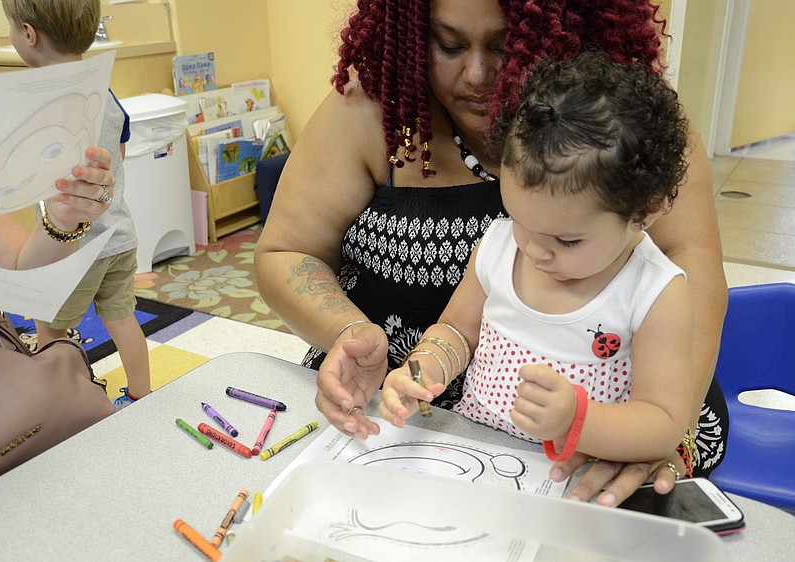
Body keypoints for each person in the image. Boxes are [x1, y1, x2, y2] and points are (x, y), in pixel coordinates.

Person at [254, 0, 728, 506]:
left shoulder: (634, 132)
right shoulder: (383, 117)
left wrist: (636, 434)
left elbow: (691, 268)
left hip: (608, 428)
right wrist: (363, 339)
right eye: (449, 43)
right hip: (433, 421)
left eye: (504, 45)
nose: (476, 74)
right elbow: (289, 250)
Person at [379, 52, 695, 475]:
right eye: (520, 220)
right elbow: (455, 330)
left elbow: (663, 422)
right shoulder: (499, 246)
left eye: (567, 240)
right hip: (476, 456)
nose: (534, 250)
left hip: (577, 477)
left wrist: (578, 421)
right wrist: (421, 370)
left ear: (645, 211)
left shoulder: (654, 291)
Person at [3, 0, 150, 407]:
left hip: (74, 249)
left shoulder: (42, 103)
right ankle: (142, 395)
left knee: (49, 328)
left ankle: (71, 403)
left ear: (28, 35)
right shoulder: (105, 89)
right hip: (120, 234)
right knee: (122, 319)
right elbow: (118, 150)